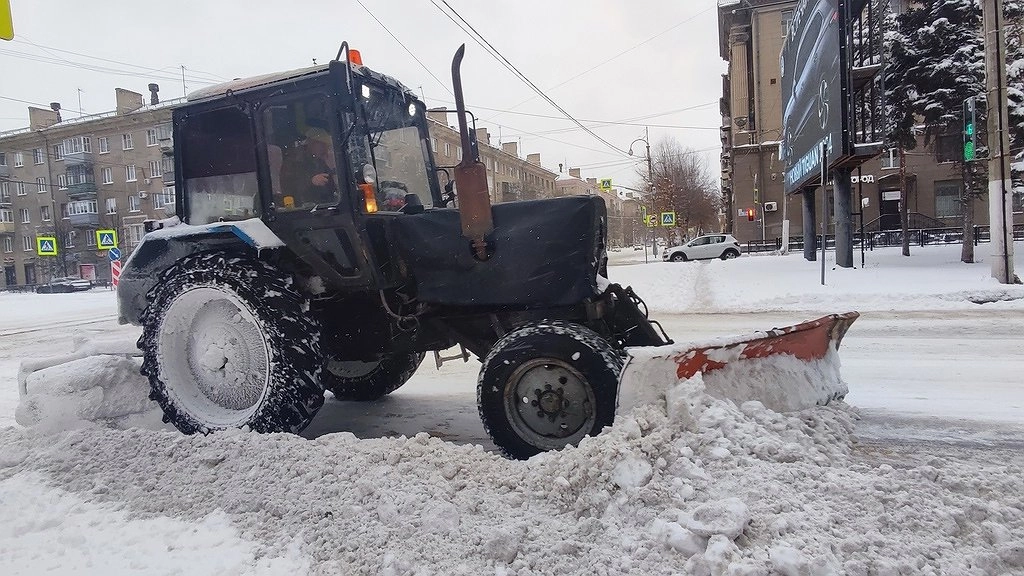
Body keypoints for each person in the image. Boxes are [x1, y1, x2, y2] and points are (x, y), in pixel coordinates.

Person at [279, 127, 338, 208]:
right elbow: (289, 187)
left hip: (322, 208)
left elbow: (330, 186)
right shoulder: (294, 160)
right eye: (323, 144)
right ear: (312, 143)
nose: (325, 149)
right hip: (301, 212)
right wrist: (311, 181)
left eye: (327, 145)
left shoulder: (319, 160)